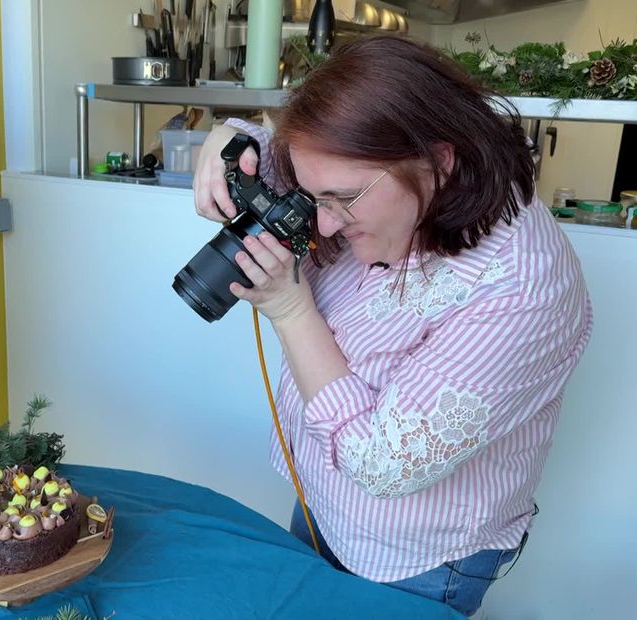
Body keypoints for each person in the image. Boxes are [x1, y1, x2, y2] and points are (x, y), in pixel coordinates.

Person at [192, 35, 592, 617]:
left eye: (342, 200)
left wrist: (289, 308)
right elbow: (296, 156)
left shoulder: (521, 287)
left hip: (414, 557)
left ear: (440, 160)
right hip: (323, 501)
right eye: (312, 197)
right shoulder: (382, 174)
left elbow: (382, 464)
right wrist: (230, 136)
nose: (322, 226)